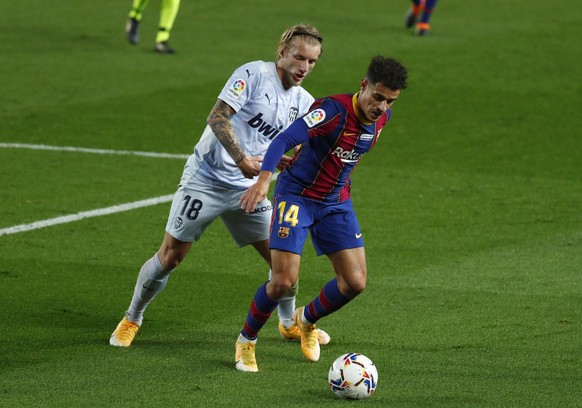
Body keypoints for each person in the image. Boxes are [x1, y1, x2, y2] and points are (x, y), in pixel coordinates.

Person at [110, 23, 331, 348]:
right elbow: (217, 117)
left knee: (283, 264)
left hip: (250, 191)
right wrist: (242, 158)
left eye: (312, 62)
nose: (304, 67)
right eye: (300, 58)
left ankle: (288, 323)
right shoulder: (253, 75)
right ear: (283, 52)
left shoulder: (305, 101)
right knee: (171, 256)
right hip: (206, 180)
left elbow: (293, 148)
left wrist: (286, 162)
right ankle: (132, 317)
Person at [235, 56, 408, 372]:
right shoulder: (331, 111)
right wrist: (263, 180)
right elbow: (285, 139)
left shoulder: (382, 119)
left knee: (355, 282)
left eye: (390, 101)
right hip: (297, 197)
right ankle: (247, 340)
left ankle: (306, 320)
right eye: (378, 97)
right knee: (283, 281)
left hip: (335, 203)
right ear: (363, 85)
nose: (382, 107)